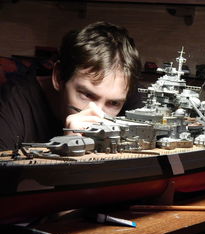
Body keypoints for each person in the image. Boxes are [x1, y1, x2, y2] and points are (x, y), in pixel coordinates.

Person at [0, 21, 142, 150]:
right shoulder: (11, 106)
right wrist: (69, 147)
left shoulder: (122, 92)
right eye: (87, 95)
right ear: (59, 77)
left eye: (113, 103)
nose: (97, 115)